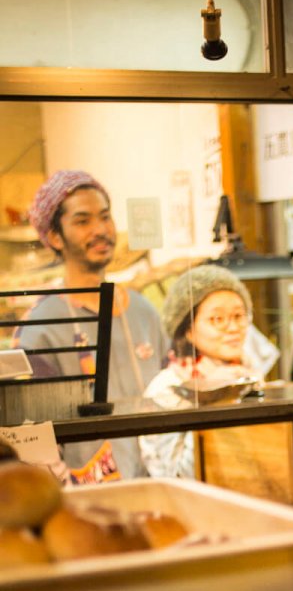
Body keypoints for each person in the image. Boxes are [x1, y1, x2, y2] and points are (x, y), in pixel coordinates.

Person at [14, 170, 168, 483]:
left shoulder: (143, 310)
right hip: (87, 495)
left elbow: (172, 392)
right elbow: (33, 436)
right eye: (83, 221)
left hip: (159, 484)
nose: (100, 229)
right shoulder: (41, 326)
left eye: (105, 217)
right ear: (55, 237)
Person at [139, 264, 265, 478]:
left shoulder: (249, 374)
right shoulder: (168, 388)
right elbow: (177, 474)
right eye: (217, 319)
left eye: (238, 316)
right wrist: (215, 397)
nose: (233, 328)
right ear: (188, 330)